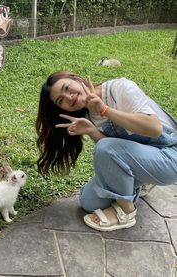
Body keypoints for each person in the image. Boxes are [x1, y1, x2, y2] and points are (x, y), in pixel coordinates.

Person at [35, 71, 177, 231]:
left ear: (76, 78)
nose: (69, 97)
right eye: (61, 100)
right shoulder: (87, 113)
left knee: (105, 148)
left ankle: (127, 211)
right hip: (143, 157)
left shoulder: (120, 88)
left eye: (67, 88)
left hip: (170, 154)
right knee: (88, 201)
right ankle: (140, 180)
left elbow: (155, 129)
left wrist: (105, 110)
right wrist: (92, 131)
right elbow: (112, 153)